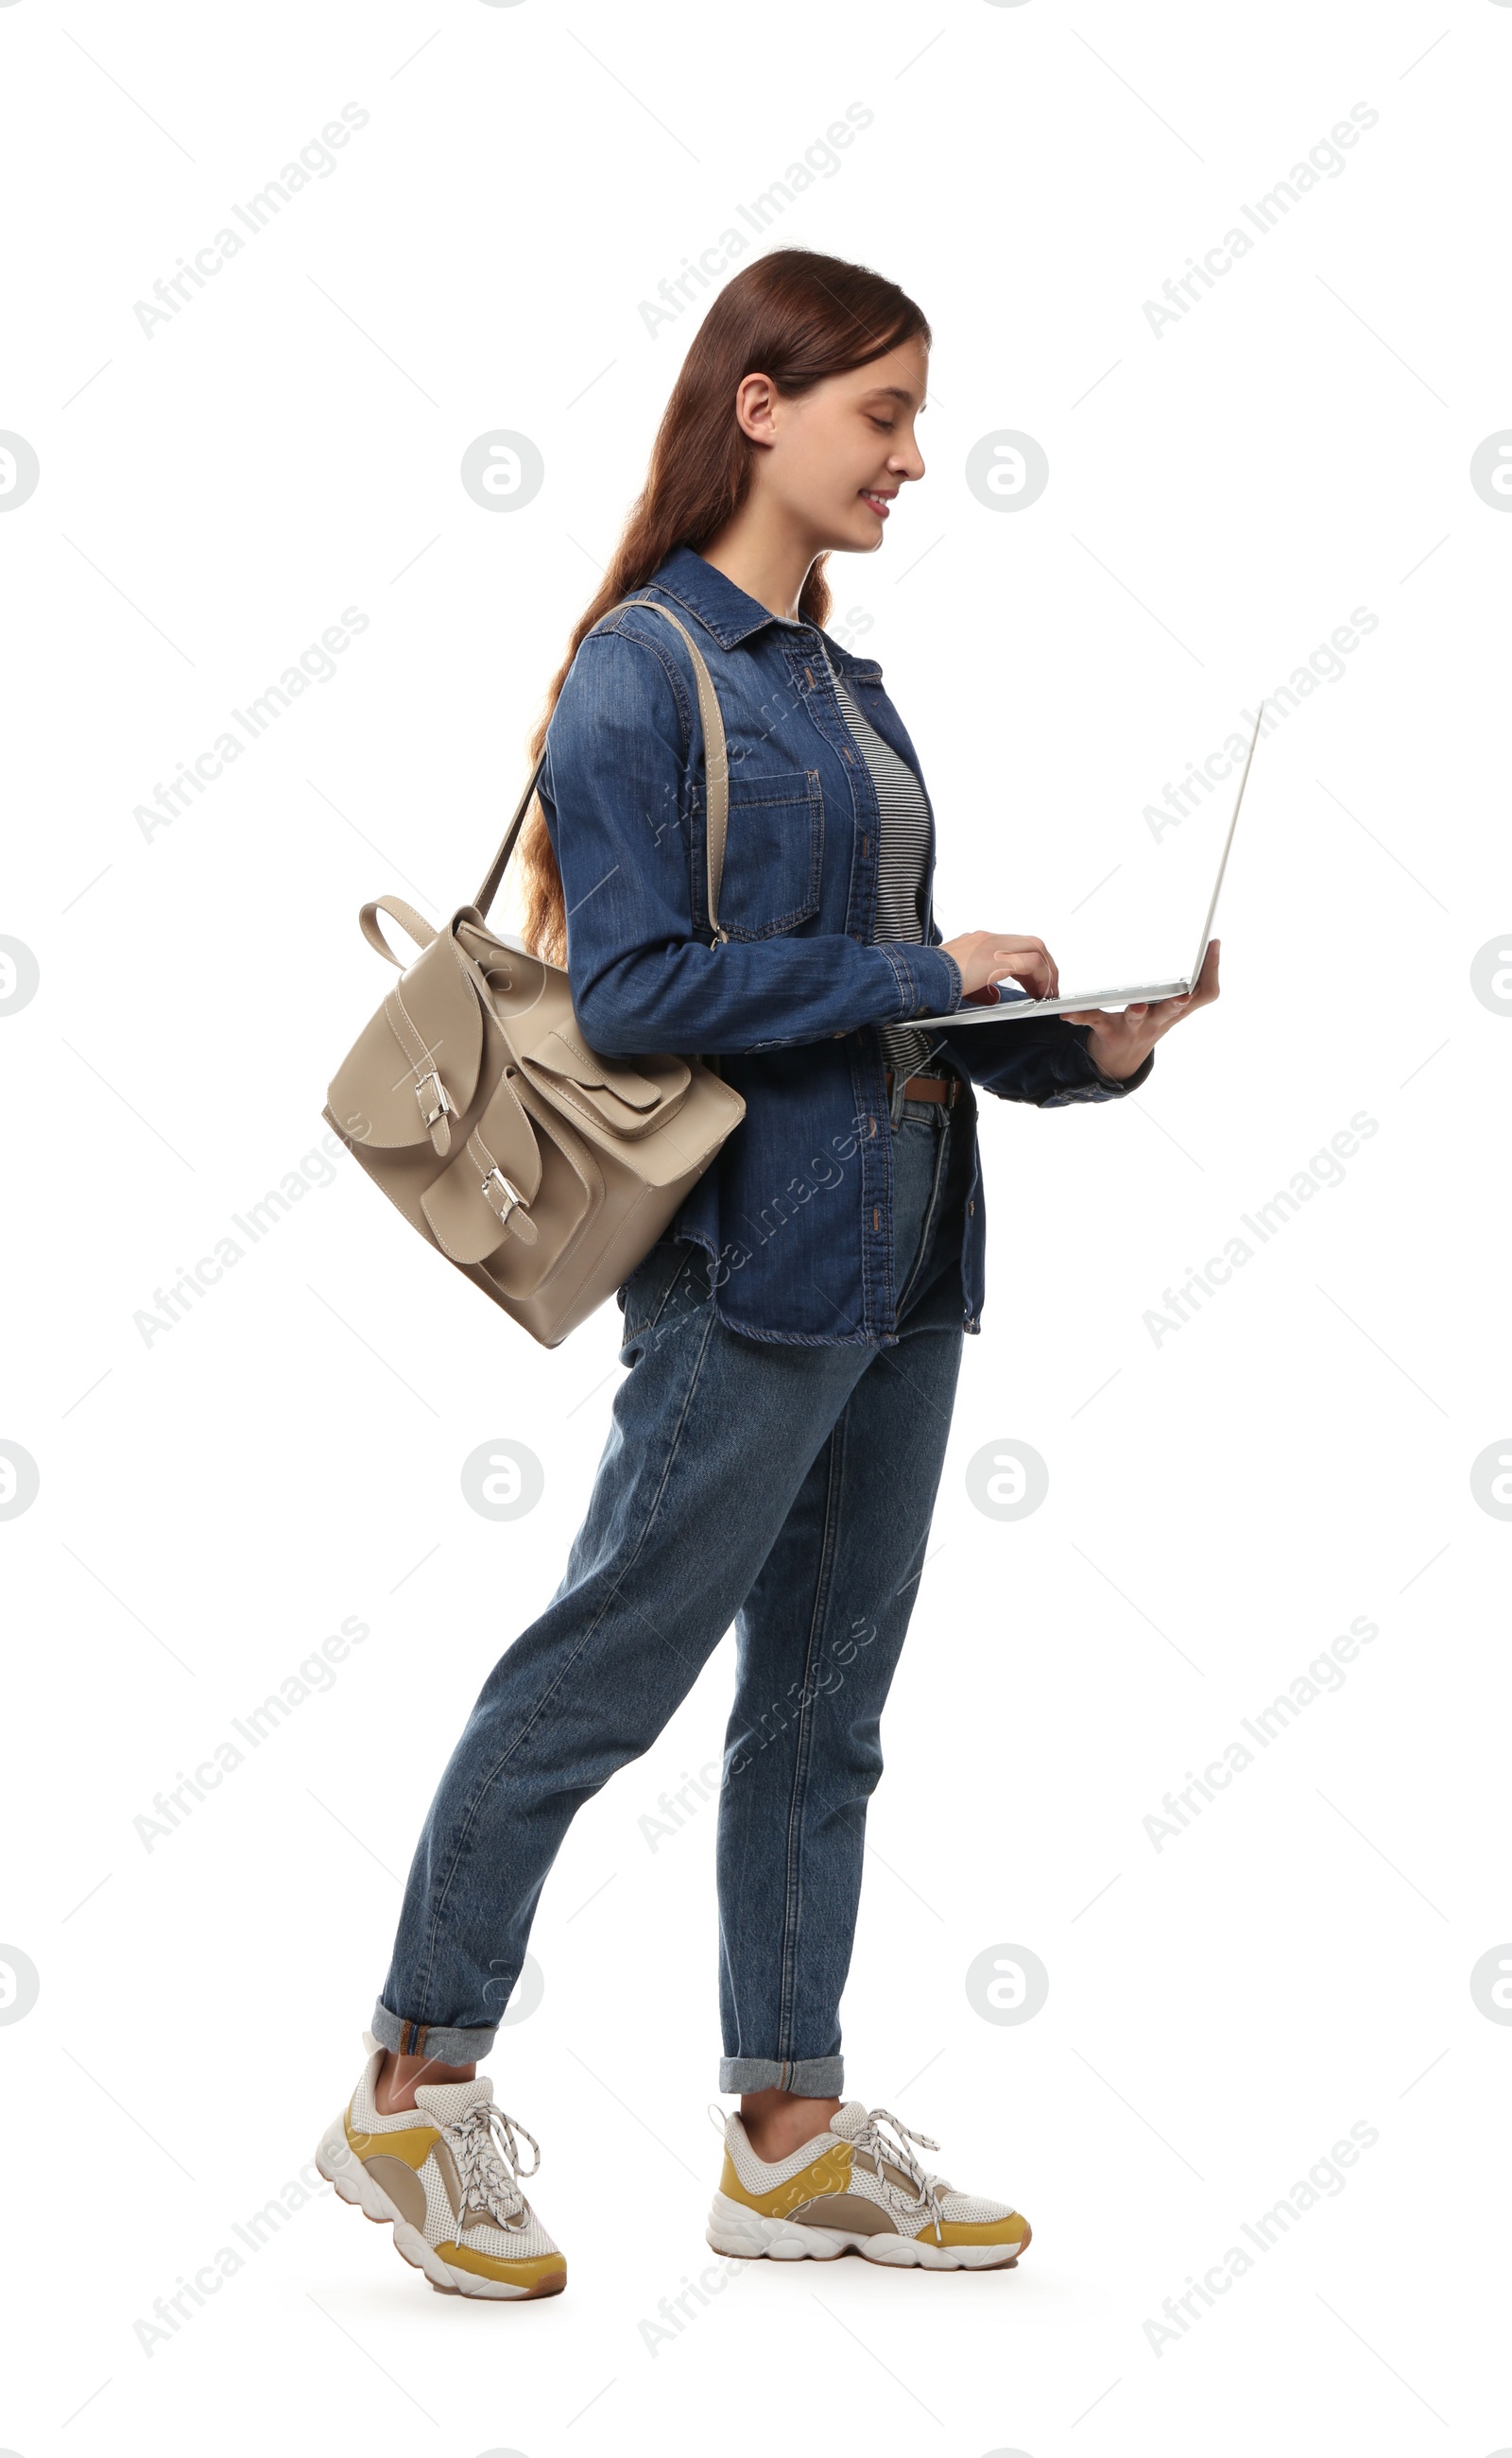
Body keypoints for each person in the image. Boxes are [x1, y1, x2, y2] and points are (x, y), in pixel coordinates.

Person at [315, 247, 1219, 2298]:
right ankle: (409, 2083)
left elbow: (872, 1015)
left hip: (904, 1259)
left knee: (825, 1707)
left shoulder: (839, 681)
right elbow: (635, 997)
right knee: (600, 1671)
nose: (913, 454)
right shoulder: (647, 667)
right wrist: (925, 962)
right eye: (879, 414)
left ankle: (786, 2135)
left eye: (911, 417)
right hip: (744, 1267)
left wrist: (1071, 1051)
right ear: (758, 406)